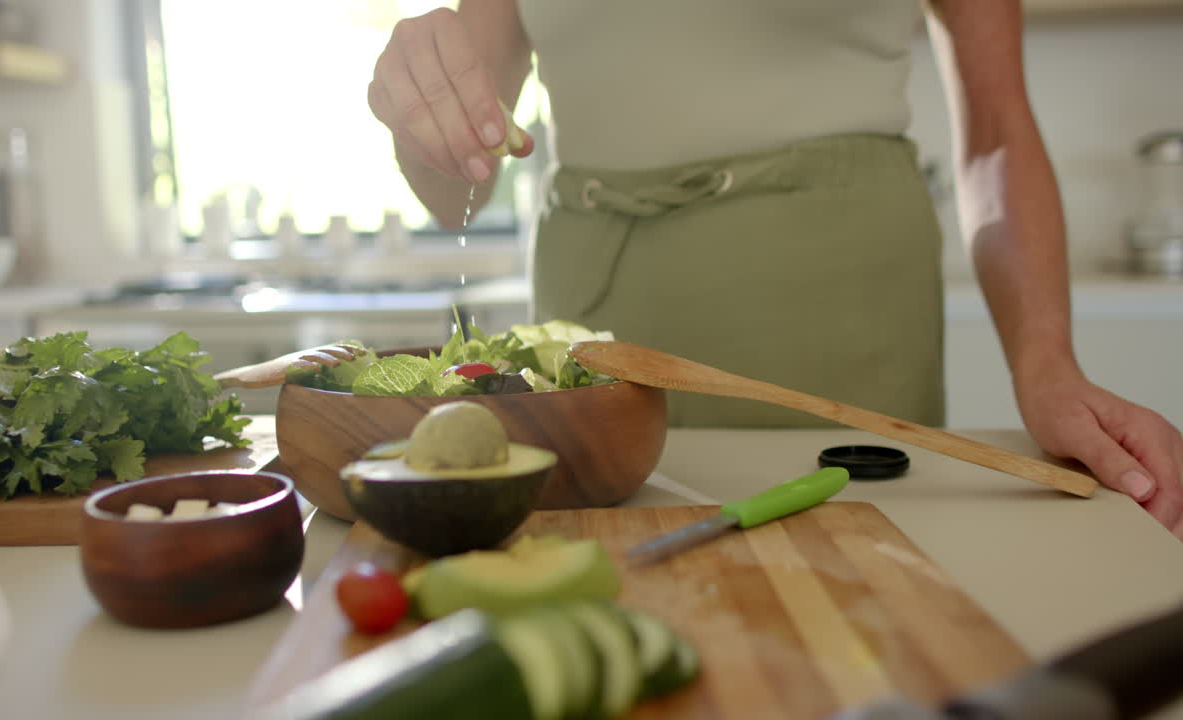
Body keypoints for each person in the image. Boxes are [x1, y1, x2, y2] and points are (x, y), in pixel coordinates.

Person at [366, 0, 1183, 537]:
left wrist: (1047, 363)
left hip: (847, 317)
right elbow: (451, 184)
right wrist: (416, 108)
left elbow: (997, 126)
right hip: (598, 337)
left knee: (861, 596)